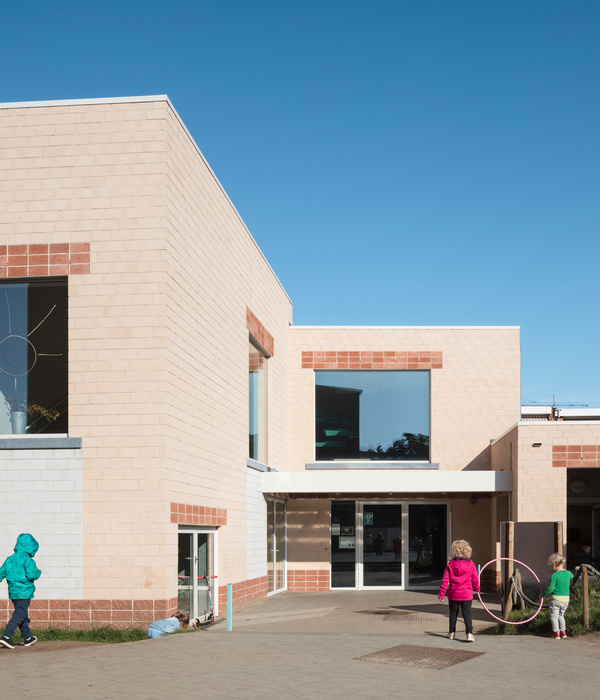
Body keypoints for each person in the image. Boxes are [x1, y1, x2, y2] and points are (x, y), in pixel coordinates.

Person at [0, 533, 42, 649]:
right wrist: (38, 572)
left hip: (13, 593)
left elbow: (1, 573)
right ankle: (6, 636)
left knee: (23, 614)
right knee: (19, 614)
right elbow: (31, 575)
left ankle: (27, 638)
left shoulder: (9, 559)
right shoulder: (28, 560)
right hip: (24, 592)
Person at [438, 539, 480, 642]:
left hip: (453, 594)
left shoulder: (450, 564)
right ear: (467, 550)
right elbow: (475, 578)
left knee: (453, 614)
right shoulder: (471, 564)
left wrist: (441, 595)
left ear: (453, 551)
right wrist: (477, 588)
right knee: (467, 614)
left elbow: (445, 580)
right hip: (466, 595)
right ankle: (469, 634)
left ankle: (451, 633)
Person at [542, 552, 573, 639]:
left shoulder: (554, 575)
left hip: (556, 599)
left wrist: (543, 595)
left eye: (551, 566)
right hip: (566, 599)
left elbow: (550, 589)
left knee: (554, 617)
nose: (551, 568)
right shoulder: (568, 573)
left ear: (554, 564)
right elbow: (573, 576)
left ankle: (556, 633)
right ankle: (563, 632)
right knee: (561, 616)